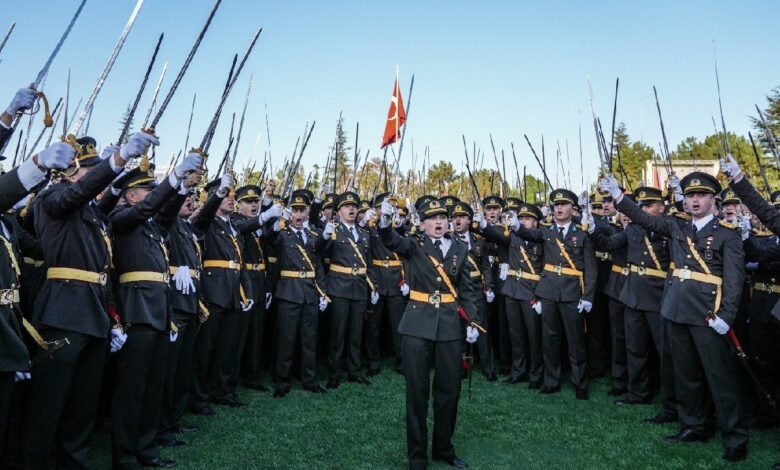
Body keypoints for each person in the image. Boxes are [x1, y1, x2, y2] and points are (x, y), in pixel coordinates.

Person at [23, 132, 156, 470]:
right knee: (48, 404)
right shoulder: (52, 199)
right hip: (63, 314)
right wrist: (117, 161)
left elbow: (102, 270)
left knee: (82, 407)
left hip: (94, 315)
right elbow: (80, 193)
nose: (95, 176)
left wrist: (112, 319)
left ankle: (73, 463)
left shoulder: (93, 215)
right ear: (68, 173)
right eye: (89, 170)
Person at [601, 171, 748, 462]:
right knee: (685, 374)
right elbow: (645, 220)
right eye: (690, 196)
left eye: (701, 195)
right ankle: (694, 425)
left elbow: (734, 280)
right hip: (675, 309)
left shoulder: (726, 234)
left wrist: (727, 315)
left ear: (713, 200)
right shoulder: (677, 225)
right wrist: (619, 196)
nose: (694, 201)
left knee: (720, 378)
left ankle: (735, 437)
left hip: (708, 314)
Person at [109, 152, 202, 470]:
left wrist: (183, 187)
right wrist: (174, 177)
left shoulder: (152, 228)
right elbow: (152, 208)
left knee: (152, 386)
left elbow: (165, 211)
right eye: (147, 191)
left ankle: (147, 447)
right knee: (132, 390)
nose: (151, 196)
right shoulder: (121, 219)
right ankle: (124, 455)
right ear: (130, 195)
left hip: (160, 313)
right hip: (136, 312)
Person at [379, 197, 479, 470]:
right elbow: (390, 240)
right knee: (417, 393)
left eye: (442, 218)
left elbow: (468, 288)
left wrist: (473, 322)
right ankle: (418, 458)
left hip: (449, 325)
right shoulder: (413, 244)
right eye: (432, 218)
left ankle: (443, 449)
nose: (438, 222)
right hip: (417, 324)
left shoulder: (460, 246)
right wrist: (385, 220)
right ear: (422, 224)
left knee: (449, 391)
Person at [489, 189, 597, 399]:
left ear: (572, 208)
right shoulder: (547, 231)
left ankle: (580, 383)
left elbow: (591, 270)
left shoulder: (581, 233)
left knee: (575, 341)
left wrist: (588, 296)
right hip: (548, 292)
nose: (559, 208)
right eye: (556, 205)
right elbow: (527, 233)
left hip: (572, 292)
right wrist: (516, 224)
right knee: (550, 339)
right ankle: (551, 380)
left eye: (564, 205)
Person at [267, 193, 328, 397]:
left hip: (309, 292)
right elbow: (269, 239)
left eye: (302, 210)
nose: (299, 214)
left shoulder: (313, 236)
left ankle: (309, 379)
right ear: (289, 213)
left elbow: (318, 266)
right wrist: (278, 222)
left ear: (307, 213)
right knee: (287, 338)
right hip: (289, 291)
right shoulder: (282, 234)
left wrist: (322, 292)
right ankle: (282, 381)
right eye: (295, 210)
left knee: (309, 339)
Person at [478, 202, 544, 387]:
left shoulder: (541, 239)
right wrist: (483, 225)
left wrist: (540, 294)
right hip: (512, 290)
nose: (523, 221)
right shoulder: (513, 237)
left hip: (531, 290)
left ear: (536, 223)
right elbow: (496, 235)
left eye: (528, 219)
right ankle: (518, 371)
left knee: (534, 335)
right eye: (521, 218)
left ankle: (536, 374)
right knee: (515, 335)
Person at [318, 192, 378, 388]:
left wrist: (373, 286)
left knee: (356, 333)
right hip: (339, 286)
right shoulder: (333, 230)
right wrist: (325, 236)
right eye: (346, 206)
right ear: (339, 211)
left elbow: (368, 263)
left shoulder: (364, 234)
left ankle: (354, 371)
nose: (351, 209)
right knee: (337, 333)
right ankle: (334, 373)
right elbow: (318, 252)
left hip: (359, 287)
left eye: (354, 206)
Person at [451, 201, 497, 382]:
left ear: (469, 220)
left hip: (477, 288)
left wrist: (490, 287)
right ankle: (461, 368)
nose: (457, 221)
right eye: (454, 218)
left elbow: (486, 267)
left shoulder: (479, 242)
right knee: (459, 330)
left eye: (461, 217)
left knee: (482, 328)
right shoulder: (448, 240)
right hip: (457, 290)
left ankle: (488, 368)